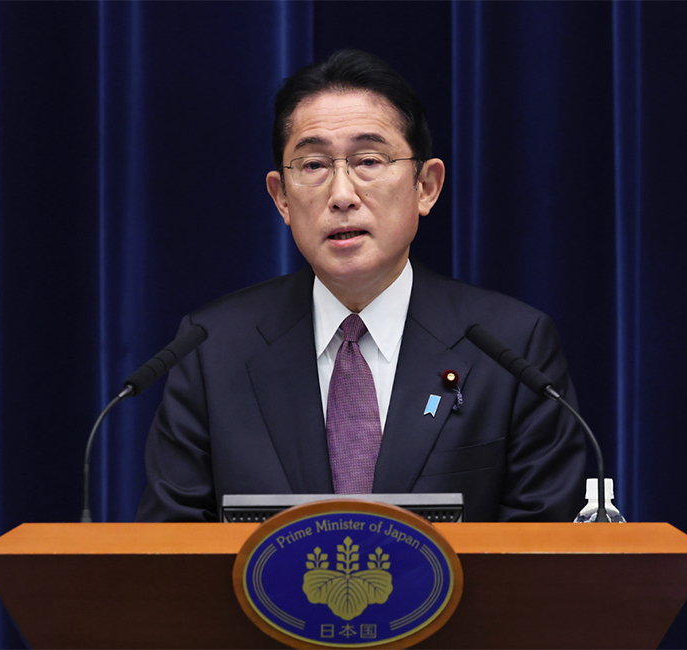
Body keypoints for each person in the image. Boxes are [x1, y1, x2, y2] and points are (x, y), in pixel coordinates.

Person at [136, 50, 585, 523]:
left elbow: (545, 547)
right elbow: (171, 545)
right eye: (313, 165)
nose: (342, 195)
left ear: (426, 186)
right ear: (281, 197)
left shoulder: (512, 348)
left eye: (368, 160)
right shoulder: (212, 350)